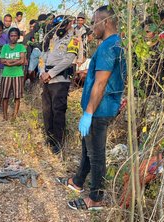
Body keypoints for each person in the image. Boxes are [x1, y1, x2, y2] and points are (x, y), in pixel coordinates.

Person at [57, 6, 126, 211]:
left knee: (96, 153)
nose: (92, 27)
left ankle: (96, 198)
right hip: (102, 106)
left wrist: (88, 113)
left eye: (94, 22)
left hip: (99, 109)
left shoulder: (107, 47)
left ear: (105, 22)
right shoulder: (117, 44)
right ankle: (77, 181)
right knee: (88, 148)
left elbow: (101, 83)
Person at [39, 15, 78, 154]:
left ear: (69, 25)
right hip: (46, 80)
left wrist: (51, 73)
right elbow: (43, 57)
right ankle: (49, 138)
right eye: (57, 26)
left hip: (60, 80)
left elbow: (68, 60)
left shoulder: (73, 39)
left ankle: (58, 141)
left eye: (62, 25)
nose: (59, 28)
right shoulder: (52, 39)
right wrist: (43, 72)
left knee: (58, 111)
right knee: (46, 110)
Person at [0, 28, 26, 121]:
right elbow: (2, 60)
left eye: (15, 35)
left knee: (17, 96)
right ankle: (5, 115)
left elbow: (22, 61)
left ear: (18, 37)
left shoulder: (21, 47)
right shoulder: (5, 47)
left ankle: (14, 115)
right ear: (9, 36)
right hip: (6, 74)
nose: (13, 37)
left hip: (18, 74)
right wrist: (16, 60)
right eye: (11, 35)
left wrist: (10, 63)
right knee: (5, 96)